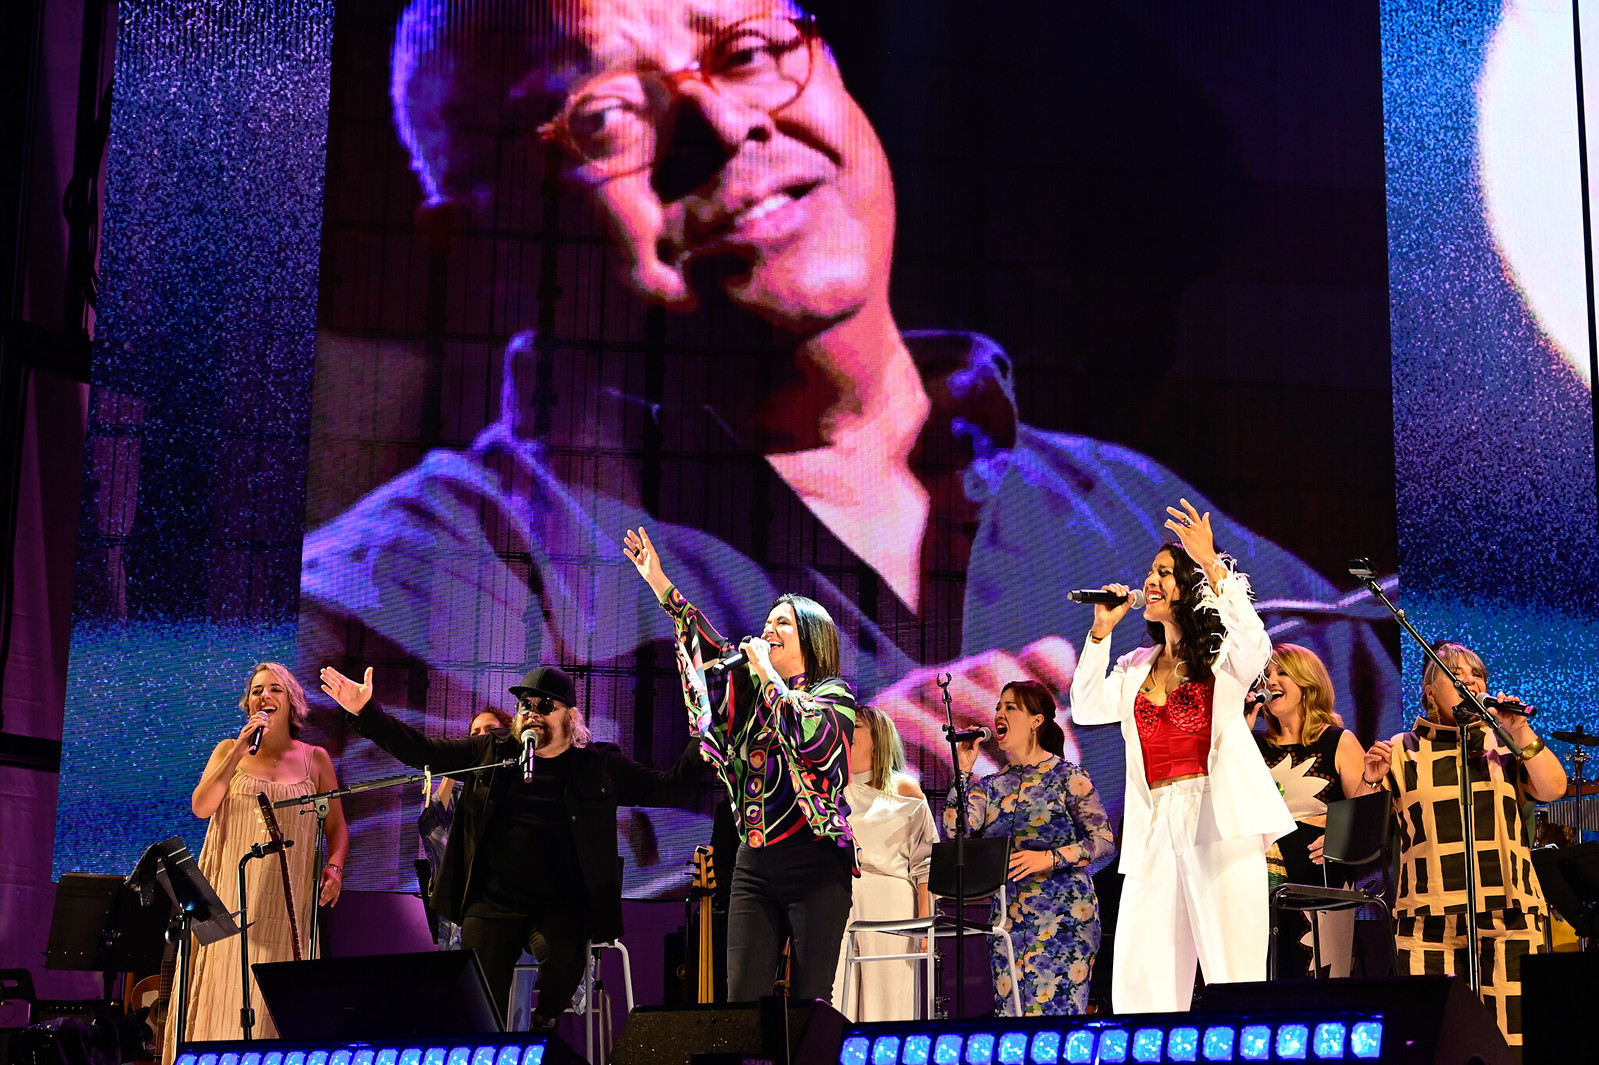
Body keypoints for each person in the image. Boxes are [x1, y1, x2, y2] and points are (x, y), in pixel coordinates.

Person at [298, 0, 1401, 896]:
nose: (727, 126)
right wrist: (812, 812)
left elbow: (1410, 761)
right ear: (477, 239)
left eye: (747, 50)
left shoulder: (1117, 511)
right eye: (604, 119)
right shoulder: (423, 575)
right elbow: (384, 920)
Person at [317, 662, 704, 1029]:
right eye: (525, 705)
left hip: (561, 905)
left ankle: (544, 1020)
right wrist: (366, 712)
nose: (533, 712)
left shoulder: (597, 766)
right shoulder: (489, 753)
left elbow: (670, 788)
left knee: (565, 963)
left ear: (570, 717)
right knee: (481, 1003)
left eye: (545, 705)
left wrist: (706, 732)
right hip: (492, 904)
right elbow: (422, 750)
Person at [1069, 499, 1295, 1013]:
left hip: (1218, 819)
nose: (1150, 580)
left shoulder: (1221, 660)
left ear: (1189, 588)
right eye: (1150, 571)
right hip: (1154, 827)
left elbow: (1255, 646)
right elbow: (1084, 707)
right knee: (1139, 976)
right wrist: (1100, 632)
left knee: (1233, 975)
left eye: (1164, 573)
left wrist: (1212, 562)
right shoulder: (1134, 666)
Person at [624, 525, 856, 1003]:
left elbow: (811, 739)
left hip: (815, 863)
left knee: (809, 1003)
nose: (768, 630)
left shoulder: (835, 697)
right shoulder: (749, 697)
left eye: (784, 624)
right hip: (753, 863)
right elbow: (707, 646)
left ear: (812, 640)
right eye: (767, 622)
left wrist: (768, 673)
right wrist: (660, 585)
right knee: (742, 1004)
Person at [1362, 642, 1567, 1048]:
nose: (1469, 681)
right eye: (1454, 674)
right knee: (1432, 1040)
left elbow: (1553, 788)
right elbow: (1364, 835)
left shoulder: (1504, 744)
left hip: (1507, 913)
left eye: (1477, 675)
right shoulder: (1403, 749)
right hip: (1427, 919)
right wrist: (1370, 778)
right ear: (1429, 690)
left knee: (1513, 1037)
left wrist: (1519, 730)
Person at [171, 663, 348, 1053]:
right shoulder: (228, 751)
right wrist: (237, 748)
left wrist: (334, 868)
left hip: (288, 904)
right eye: (256, 691)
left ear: (293, 703)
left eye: (275, 689)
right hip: (232, 898)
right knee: (227, 992)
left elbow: (336, 827)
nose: (263, 696)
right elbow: (201, 807)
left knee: (278, 1003)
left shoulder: (315, 759)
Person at [947, 680, 1115, 1016]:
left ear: (1036, 721)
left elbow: (1103, 841)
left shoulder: (1068, 776)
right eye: (998, 707)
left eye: (1010, 707)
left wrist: (1048, 858)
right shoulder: (990, 786)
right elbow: (956, 830)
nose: (999, 713)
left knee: (1056, 1020)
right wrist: (963, 771)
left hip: (1064, 914)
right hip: (1009, 918)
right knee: (1011, 1018)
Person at [1253, 643, 1367, 978]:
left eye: (1282, 672)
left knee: (1318, 985)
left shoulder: (1337, 741)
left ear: (1308, 684)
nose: (1271, 682)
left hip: (1319, 884)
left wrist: (1339, 830)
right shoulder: (1251, 746)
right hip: (1259, 886)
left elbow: (1368, 814)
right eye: (1266, 676)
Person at [831, 704, 938, 1021]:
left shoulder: (904, 789)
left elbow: (926, 864)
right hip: (837, 899)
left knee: (888, 1005)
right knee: (836, 999)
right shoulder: (828, 791)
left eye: (857, 726)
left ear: (878, 738)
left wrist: (924, 923)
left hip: (889, 902)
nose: (846, 731)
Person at [418, 706, 513, 948]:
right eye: (475, 732)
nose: (482, 736)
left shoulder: (519, 784)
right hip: (470, 900)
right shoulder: (462, 791)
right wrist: (455, 767)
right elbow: (432, 827)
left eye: (490, 730)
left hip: (512, 898)